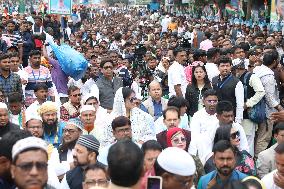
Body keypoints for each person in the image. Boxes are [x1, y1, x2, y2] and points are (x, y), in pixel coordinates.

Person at [253, 50, 284, 156]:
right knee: (264, 138)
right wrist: (280, 109)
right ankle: (259, 162)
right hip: (267, 112)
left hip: (257, 110)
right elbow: (270, 98)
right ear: (275, 61)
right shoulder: (268, 76)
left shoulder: (257, 70)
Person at [233, 59, 265, 156]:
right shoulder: (236, 78)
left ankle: (248, 166)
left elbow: (261, 91)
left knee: (247, 143)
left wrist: (248, 104)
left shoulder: (252, 77)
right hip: (237, 116)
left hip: (248, 116)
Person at [212, 55, 244, 124]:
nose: (225, 68)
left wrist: (238, 121)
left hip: (230, 117)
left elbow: (240, 104)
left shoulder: (237, 82)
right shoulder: (214, 80)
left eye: (227, 66)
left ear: (231, 66)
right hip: (217, 117)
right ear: (218, 67)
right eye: (222, 66)